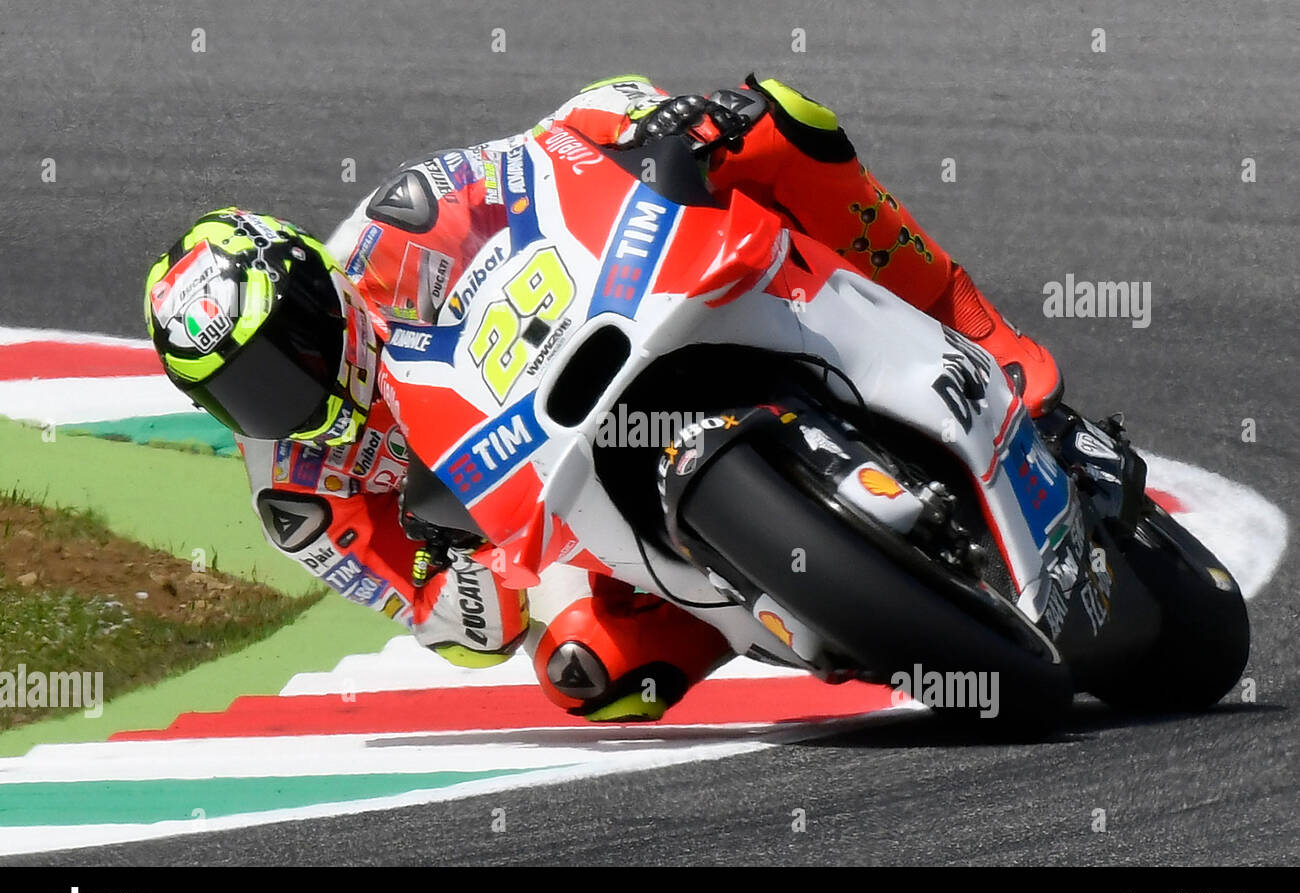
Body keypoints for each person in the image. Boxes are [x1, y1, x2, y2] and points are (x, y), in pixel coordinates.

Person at [144, 74, 1062, 722]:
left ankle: (966, 321)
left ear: (316, 294)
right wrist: (456, 580)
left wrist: (654, 124)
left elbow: (549, 149)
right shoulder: (300, 493)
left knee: (780, 121)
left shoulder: (399, 224)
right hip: (569, 513)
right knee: (588, 674)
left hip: (609, 328)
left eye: (278, 358)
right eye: (239, 394)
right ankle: (831, 614)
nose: (278, 395)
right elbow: (456, 627)